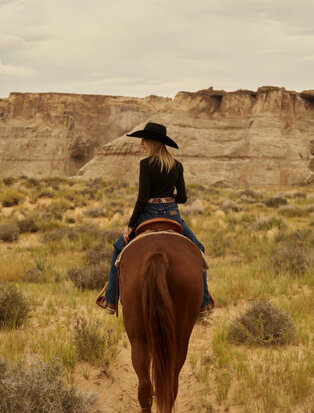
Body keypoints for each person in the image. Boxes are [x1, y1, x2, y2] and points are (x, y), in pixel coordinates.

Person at [99, 122, 214, 315]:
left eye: (144, 139)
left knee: (119, 248)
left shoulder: (146, 164)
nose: (141, 143)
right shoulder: (177, 166)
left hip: (148, 214)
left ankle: (111, 300)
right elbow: (183, 198)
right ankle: (203, 303)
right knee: (198, 249)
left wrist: (130, 226)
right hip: (172, 214)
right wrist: (169, 200)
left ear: (152, 141)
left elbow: (142, 197)